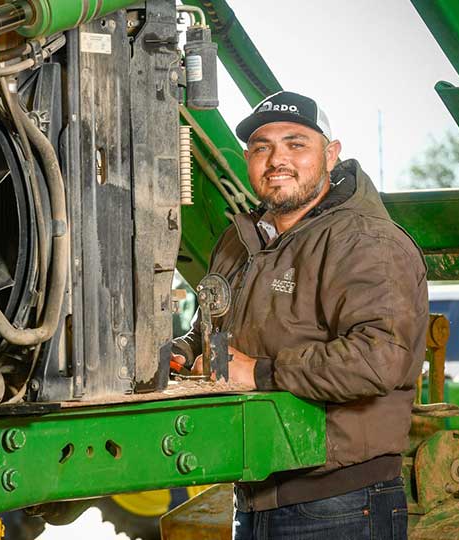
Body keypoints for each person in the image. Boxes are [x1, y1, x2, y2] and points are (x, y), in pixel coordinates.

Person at [171, 90, 428, 540]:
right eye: (262, 148)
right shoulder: (238, 241)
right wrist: (181, 353)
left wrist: (261, 372)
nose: (276, 160)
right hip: (254, 492)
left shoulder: (365, 241)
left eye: (295, 144)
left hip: (341, 504)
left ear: (330, 155)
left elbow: (380, 357)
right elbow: (211, 332)